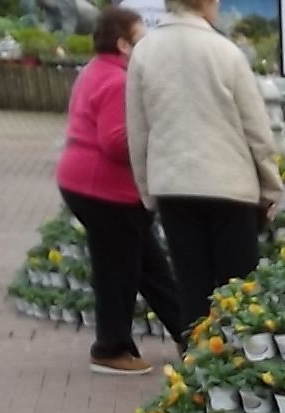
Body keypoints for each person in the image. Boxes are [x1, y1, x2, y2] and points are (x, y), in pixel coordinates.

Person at [126, 0, 282, 336]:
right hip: (229, 185)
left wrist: (147, 191)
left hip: (172, 186)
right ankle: (237, 366)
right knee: (238, 292)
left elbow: (138, 132)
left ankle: (194, 373)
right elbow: (257, 129)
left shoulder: (144, 52)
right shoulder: (226, 52)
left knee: (190, 289)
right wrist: (271, 187)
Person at [56, 6, 183, 373]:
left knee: (148, 266)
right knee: (119, 272)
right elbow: (114, 142)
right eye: (141, 38)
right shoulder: (117, 81)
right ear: (124, 45)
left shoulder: (96, 71)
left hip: (91, 185)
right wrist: (159, 127)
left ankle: (191, 333)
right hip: (106, 191)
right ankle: (110, 349)